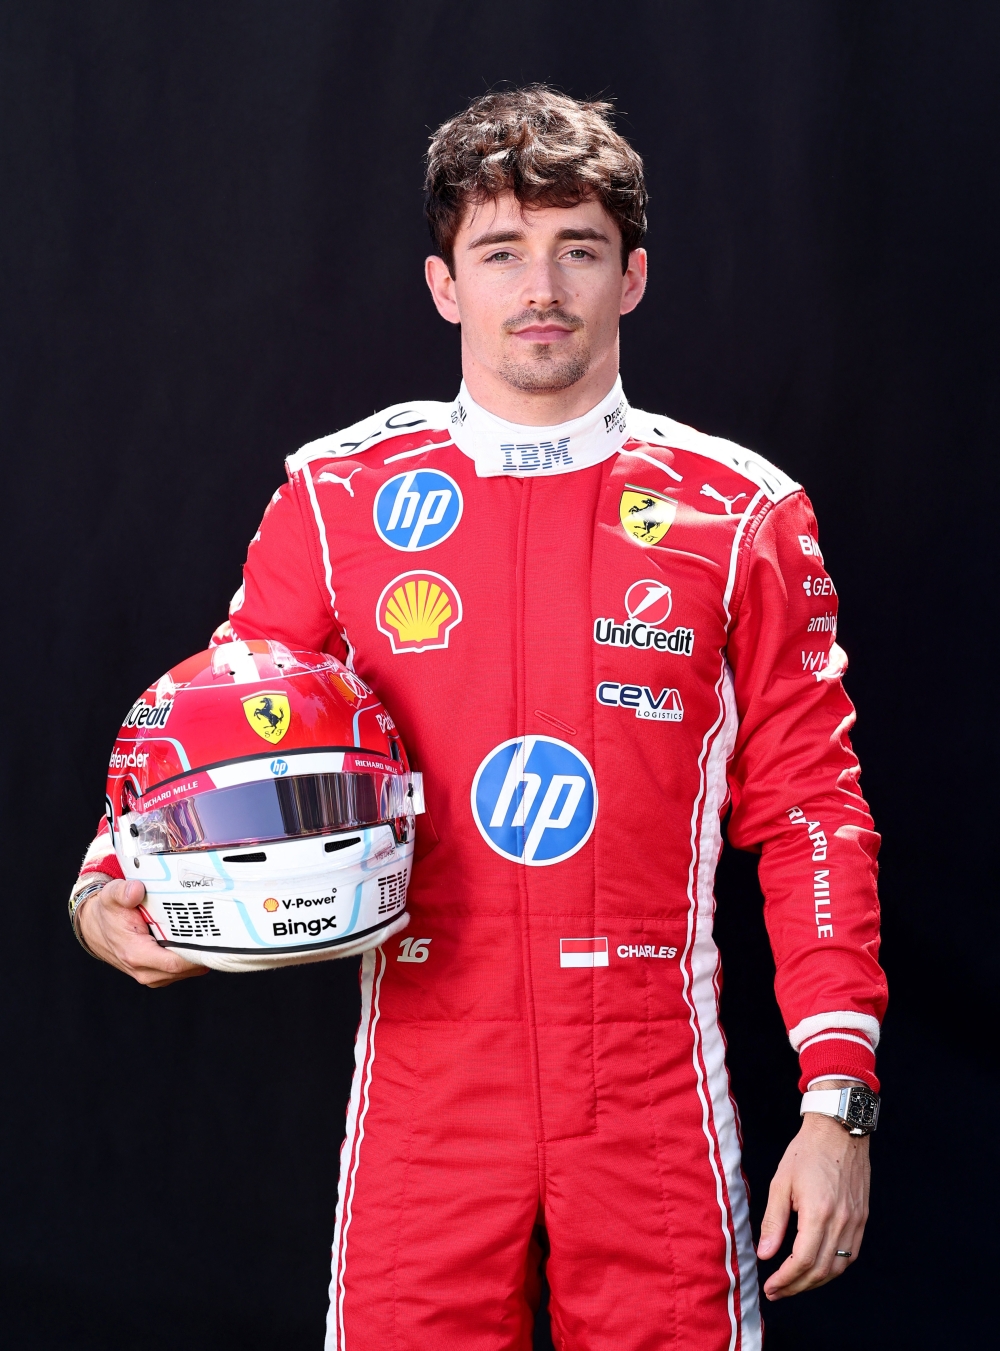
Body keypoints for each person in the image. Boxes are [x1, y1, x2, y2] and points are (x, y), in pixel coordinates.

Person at [69, 87, 886, 1350]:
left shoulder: (745, 515)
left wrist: (837, 1106)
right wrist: (110, 876)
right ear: (447, 284)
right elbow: (223, 712)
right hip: (427, 1075)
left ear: (634, 277)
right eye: (502, 251)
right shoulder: (342, 496)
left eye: (579, 247)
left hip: (652, 1082)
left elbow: (814, 815)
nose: (541, 285)